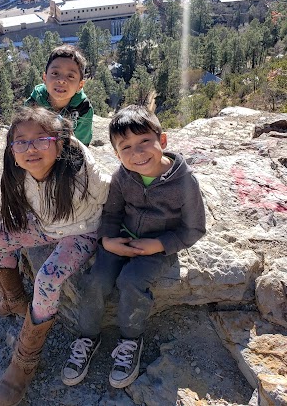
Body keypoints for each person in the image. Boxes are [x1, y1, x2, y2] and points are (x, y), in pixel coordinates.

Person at [62, 105, 206, 389]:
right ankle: (87, 336)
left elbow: (193, 229)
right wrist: (107, 239)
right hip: (121, 238)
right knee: (96, 281)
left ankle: (130, 341)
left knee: (131, 282)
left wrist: (159, 245)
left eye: (144, 142)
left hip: (157, 246)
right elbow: (112, 213)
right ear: (117, 154)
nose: (137, 153)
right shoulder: (122, 177)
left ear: (162, 141)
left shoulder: (184, 182)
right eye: (125, 147)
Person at [0, 106, 110, 406]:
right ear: (12, 149)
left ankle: (24, 363)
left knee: (48, 279)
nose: (31, 148)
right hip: (47, 226)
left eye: (42, 139)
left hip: (82, 232)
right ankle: (15, 301)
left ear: (60, 142)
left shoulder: (81, 173)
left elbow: (111, 188)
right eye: (21, 142)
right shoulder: (19, 170)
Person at [25, 44, 93, 146]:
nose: (61, 80)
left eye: (70, 76)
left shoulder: (83, 108)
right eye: (55, 73)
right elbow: (24, 133)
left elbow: (81, 144)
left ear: (80, 85)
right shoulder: (35, 101)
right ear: (45, 78)